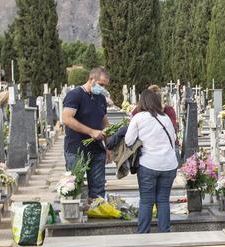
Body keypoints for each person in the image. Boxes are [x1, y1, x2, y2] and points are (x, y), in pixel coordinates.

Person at [124, 88, 180, 233]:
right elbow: (173, 139)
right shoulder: (166, 118)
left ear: (141, 102)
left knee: (147, 201)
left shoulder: (138, 118)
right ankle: (164, 233)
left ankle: (143, 234)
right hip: (169, 165)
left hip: (148, 164)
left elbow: (129, 141)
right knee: (163, 200)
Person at [61, 66, 111, 200]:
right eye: (101, 84)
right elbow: (66, 118)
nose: (102, 88)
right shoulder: (75, 95)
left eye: (105, 86)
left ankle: (98, 215)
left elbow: (104, 122)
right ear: (91, 79)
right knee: (74, 188)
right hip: (77, 149)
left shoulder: (100, 98)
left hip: (97, 150)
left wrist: (108, 146)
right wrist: (91, 132)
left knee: (98, 189)